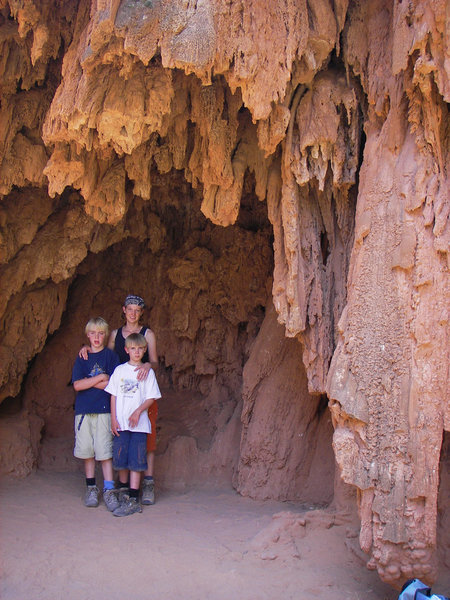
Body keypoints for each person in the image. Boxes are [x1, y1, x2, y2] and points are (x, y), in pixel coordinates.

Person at [80, 294, 159, 505]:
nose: (133, 313)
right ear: (124, 310)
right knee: (122, 438)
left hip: (142, 392)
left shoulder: (147, 333)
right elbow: (103, 352)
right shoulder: (115, 334)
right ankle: (125, 486)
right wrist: (87, 349)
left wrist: (147, 366)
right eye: (130, 309)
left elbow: (155, 361)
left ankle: (147, 484)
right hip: (121, 393)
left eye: (137, 310)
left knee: (146, 439)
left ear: (141, 312)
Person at [105, 332, 162, 517]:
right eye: (133, 348)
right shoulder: (120, 371)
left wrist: (138, 411)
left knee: (136, 460)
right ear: (126, 350)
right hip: (121, 424)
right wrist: (113, 418)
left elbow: (151, 397)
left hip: (139, 425)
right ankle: (123, 493)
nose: (136, 352)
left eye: (140, 349)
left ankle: (133, 499)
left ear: (144, 350)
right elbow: (113, 395)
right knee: (121, 459)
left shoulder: (147, 372)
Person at [72, 317, 120, 511]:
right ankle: (91, 488)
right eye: (93, 333)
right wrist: (100, 378)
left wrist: (89, 382)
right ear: (87, 335)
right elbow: (77, 385)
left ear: (105, 335)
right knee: (88, 452)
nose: (97, 337)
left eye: (101, 333)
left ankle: (109, 489)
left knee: (105, 452)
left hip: (104, 411)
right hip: (84, 411)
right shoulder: (82, 357)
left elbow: (114, 384)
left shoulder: (110, 356)